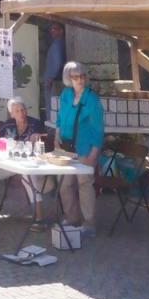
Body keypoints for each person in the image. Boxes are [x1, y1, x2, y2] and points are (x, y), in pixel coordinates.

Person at [0, 98, 52, 228]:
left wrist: (35, 138)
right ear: (12, 114)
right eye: (17, 111)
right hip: (12, 162)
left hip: (31, 163)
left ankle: (39, 218)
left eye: (23, 110)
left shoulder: (34, 123)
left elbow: (38, 136)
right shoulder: (8, 125)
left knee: (27, 176)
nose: (21, 113)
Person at [56, 61, 104, 236]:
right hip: (66, 148)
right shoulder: (66, 95)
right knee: (65, 185)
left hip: (85, 148)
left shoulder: (91, 98)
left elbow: (98, 127)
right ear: (69, 79)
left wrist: (94, 152)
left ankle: (89, 223)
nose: (80, 80)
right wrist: (56, 137)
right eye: (76, 77)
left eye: (82, 76)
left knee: (84, 184)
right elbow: (60, 118)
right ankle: (72, 217)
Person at [41, 23, 66, 119]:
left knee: (51, 105)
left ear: (61, 31)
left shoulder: (57, 44)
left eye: (55, 29)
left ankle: (51, 129)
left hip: (52, 80)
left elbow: (58, 62)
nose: (52, 31)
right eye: (51, 29)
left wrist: (52, 76)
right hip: (53, 78)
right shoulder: (59, 43)